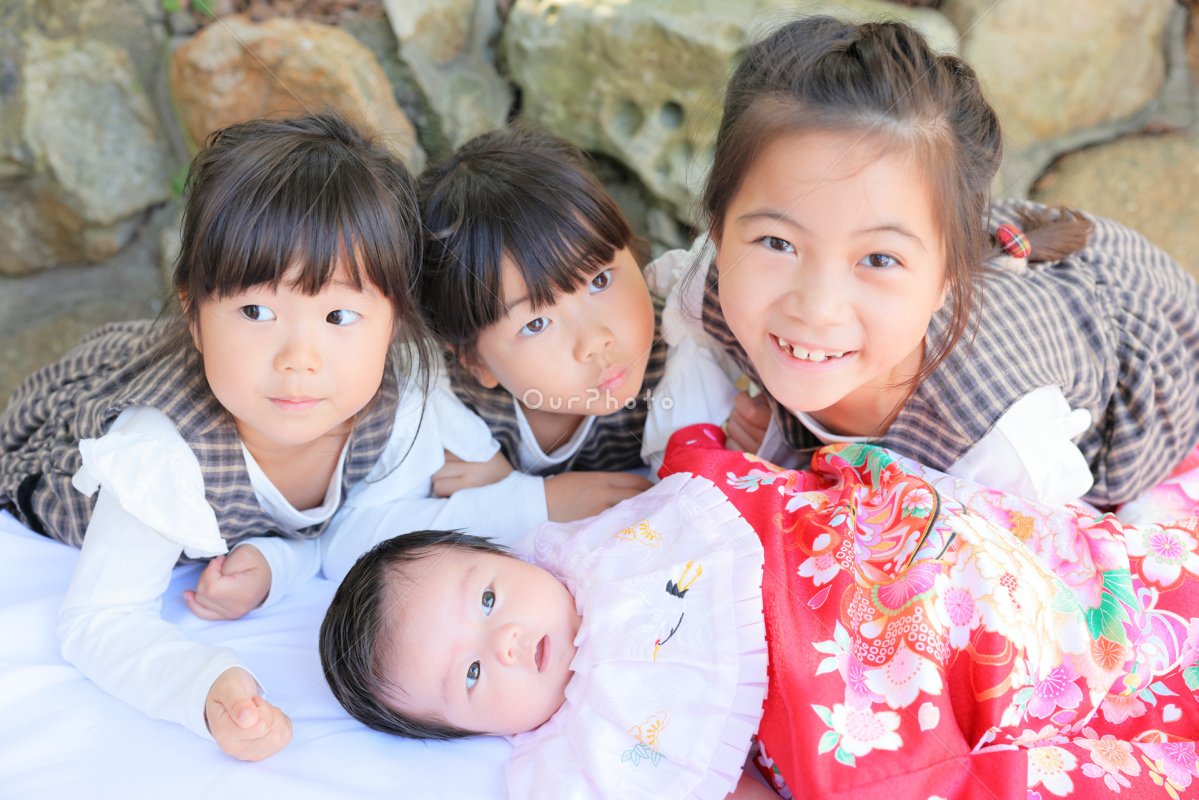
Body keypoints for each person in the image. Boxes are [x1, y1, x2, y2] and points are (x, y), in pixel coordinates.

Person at [0, 112, 623, 762]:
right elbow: (98, 621)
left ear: (394, 324)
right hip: (64, 460)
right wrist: (205, 685)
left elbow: (354, 525)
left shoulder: (397, 397)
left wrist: (277, 561)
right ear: (193, 313)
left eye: (339, 315)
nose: (299, 357)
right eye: (256, 311)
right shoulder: (158, 454)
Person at [319, 420, 1199, 799]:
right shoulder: (585, 757)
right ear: (475, 734)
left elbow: (726, 490)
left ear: (509, 558)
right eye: (470, 674)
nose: (505, 640)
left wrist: (705, 451)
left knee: (1072, 582)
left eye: (485, 597)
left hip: (885, 567)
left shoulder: (601, 550)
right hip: (851, 722)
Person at [671, 15, 1199, 508]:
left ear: (949, 277)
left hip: (1148, 350)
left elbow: (1042, 570)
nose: (817, 307)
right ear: (716, 227)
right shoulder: (706, 293)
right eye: (778, 243)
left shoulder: (994, 433)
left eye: (877, 258)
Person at [415, 127, 740, 484]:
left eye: (599, 280)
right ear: (474, 361)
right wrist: (529, 502)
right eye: (535, 324)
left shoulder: (684, 352)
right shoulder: (438, 405)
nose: (594, 341)